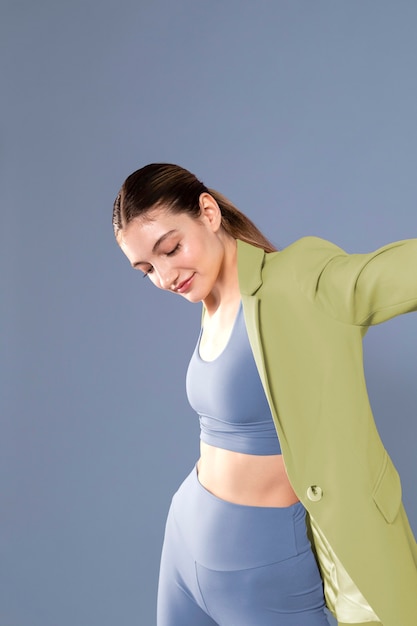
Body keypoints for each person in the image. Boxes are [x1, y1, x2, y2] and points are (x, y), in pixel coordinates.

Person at [112, 163, 417, 626]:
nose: (166, 275)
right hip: (183, 544)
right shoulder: (209, 298)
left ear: (208, 213)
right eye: (147, 269)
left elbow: (388, 275)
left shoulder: (298, 281)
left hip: (263, 566)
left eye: (171, 248)